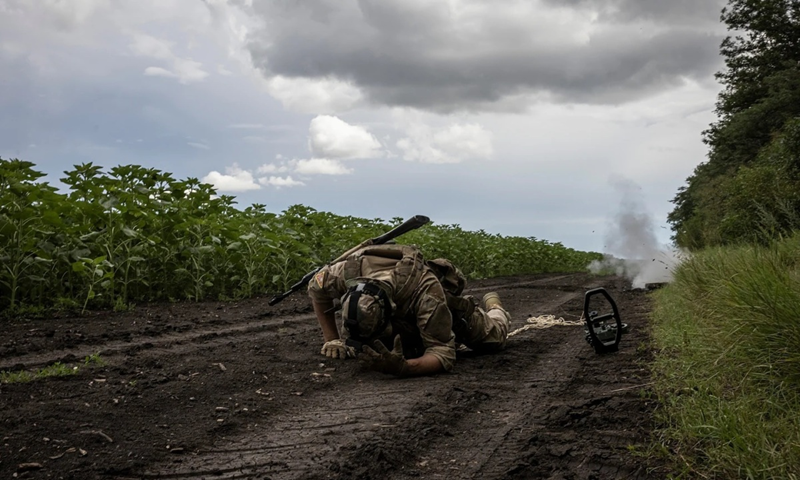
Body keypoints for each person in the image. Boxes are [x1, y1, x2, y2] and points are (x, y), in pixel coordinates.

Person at [306, 243, 511, 377]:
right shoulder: (341, 273)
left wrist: (404, 368)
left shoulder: (427, 294)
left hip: (445, 313)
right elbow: (316, 291)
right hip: (401, 314)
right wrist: (332, 339)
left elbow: (442, 353)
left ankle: (495, 308)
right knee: (398, 347)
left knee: (493, 340)